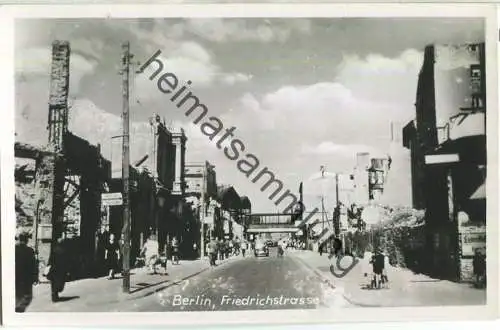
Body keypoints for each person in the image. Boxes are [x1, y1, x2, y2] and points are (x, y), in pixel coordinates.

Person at [15, 232, 38, 312]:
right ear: (27, 240)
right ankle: (19, 310)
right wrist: (35, 277)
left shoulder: (14, 249)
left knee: (16, 294)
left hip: (16, 276)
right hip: (26, 278)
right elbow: (34, 265)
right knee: (26, 296)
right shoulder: (29, 250)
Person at [47, 237, 68, 302]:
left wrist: (49, 265)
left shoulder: (54, 249)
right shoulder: (64, 251)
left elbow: (51, 259)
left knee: (53, 282)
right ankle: (56, 294)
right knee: (59, 282)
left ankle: (54, 294)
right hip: (60, 269)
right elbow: (66, 261)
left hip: (54, 269)